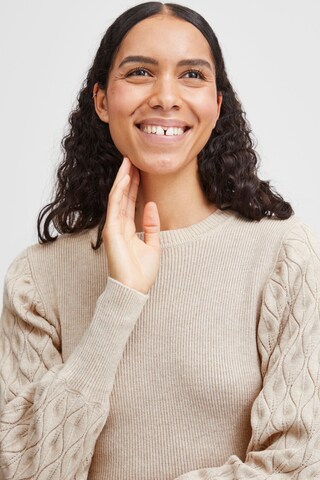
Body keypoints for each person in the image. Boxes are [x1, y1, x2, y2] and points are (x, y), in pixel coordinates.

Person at [0, 2, 319, 479]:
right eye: (140, 72)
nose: (166, 97)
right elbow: (27, 470)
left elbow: (297, 466)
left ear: (217, 102)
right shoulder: (37, 280)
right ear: (102, 100)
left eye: (192, 74)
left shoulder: (282, 255)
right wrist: (120, 300)